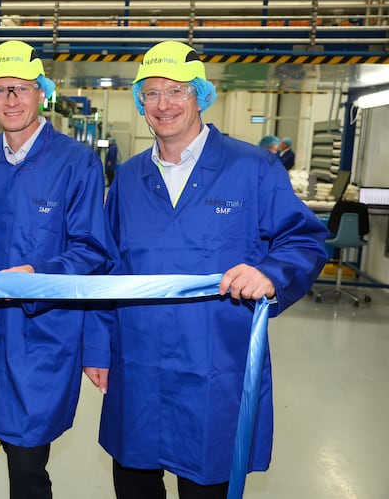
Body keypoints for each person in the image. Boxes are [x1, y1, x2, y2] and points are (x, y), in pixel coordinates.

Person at [99, 40, 329, 498]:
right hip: (137, 363)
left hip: (215, 362)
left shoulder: (253, 168)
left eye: (177, 91)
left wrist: (272, 273)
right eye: (151, 93)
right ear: (140, 102)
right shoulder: (127, 178)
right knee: (133, 482)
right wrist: (98, 349)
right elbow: (108, 267)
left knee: (208, 482)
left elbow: (303, 239)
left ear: (201, 96)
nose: (163, 105)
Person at [0, 40, 112, 499]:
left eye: (21, 89)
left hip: (44, 330)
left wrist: (37, 272)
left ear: (42, 93)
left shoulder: (76, 163)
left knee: (27, 457)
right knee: (9, 437)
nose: (11, 99)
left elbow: (91, 247)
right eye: (1, 90)